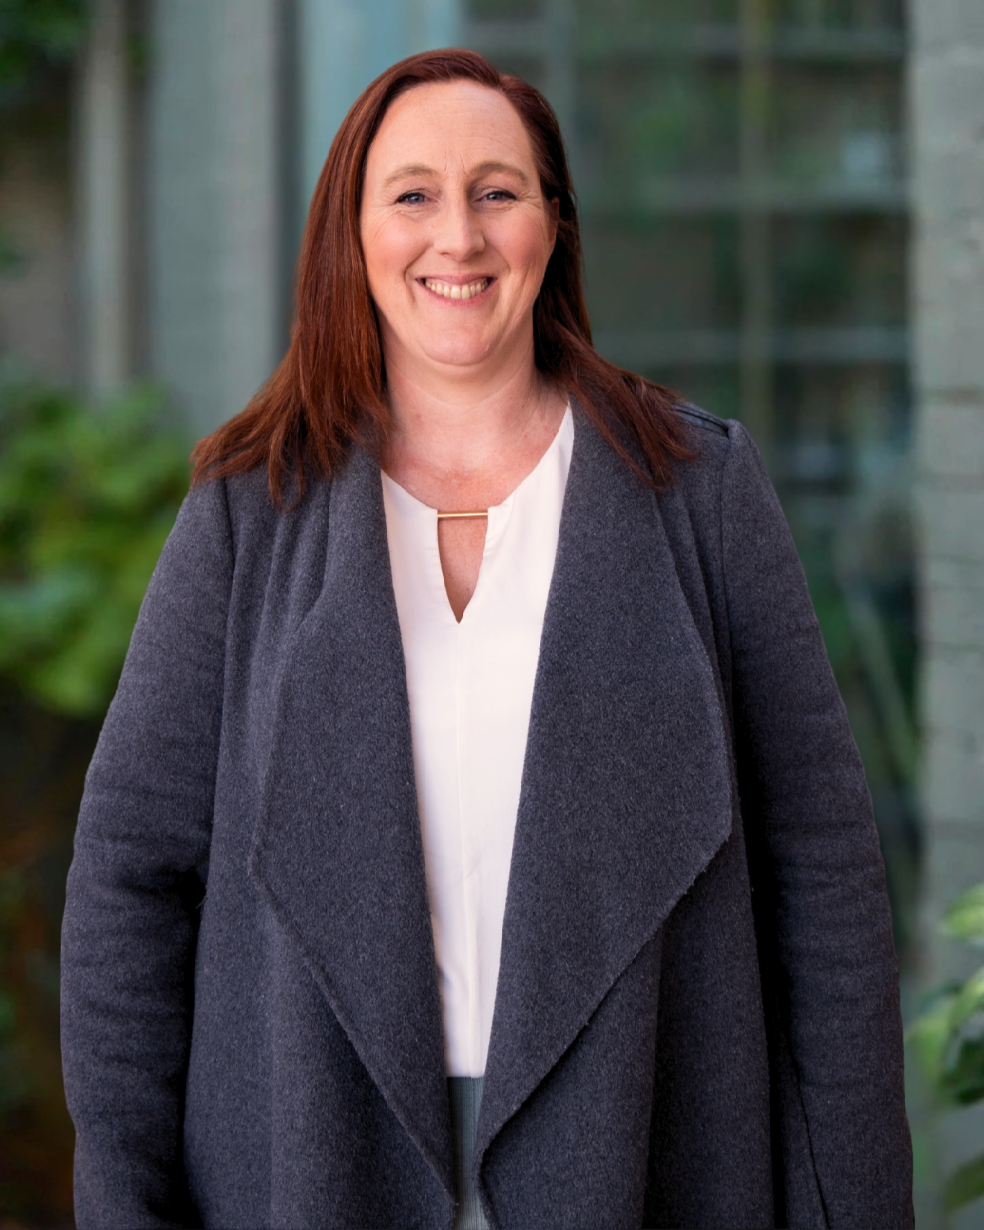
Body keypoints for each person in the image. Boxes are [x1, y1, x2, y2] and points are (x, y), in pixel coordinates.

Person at [60, 48, 913, 1230]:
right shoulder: (245, 516)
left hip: (655, 1151)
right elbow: (128, 880)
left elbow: (823, 875)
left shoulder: (701, 491)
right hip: (304, 1165)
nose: (455, 237)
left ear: (552, 228)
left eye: (497, 192)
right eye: (412, 194)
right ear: (351, 237)